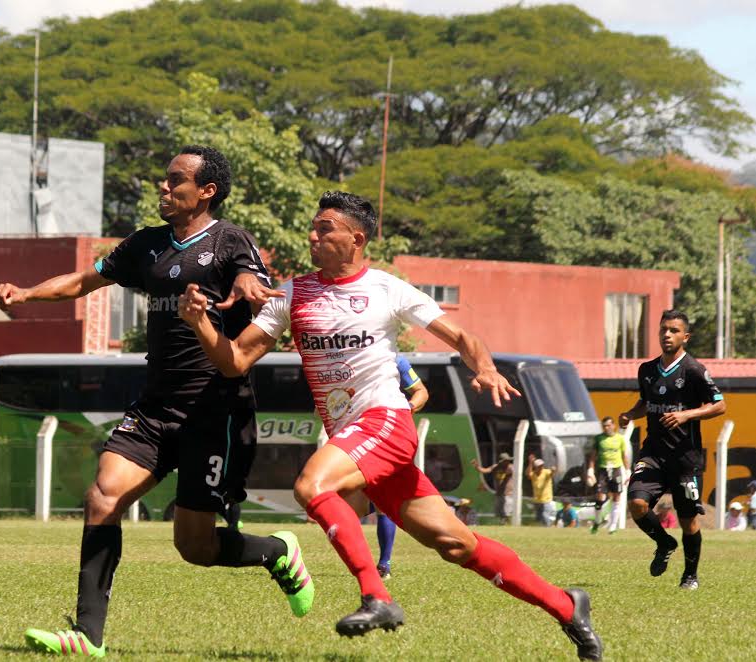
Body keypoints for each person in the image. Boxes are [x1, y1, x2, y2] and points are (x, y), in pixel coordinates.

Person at [178, 191, 602, 660]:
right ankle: (567, 605)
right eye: (313, 228)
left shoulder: (386, 288)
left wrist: (483, 366)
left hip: (385, 421)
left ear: (355, 238)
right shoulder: (292, 294)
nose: (312, 236)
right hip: (356, 441)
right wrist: (200, 323)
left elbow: (462, 336)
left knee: (312, 485)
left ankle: (376, 597)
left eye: (324, 229)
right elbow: (235, 361)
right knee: (456, 544)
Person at [0, 146, 315, 657]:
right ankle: (87, 637)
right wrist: (27, 293)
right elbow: (85, 280)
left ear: (206, 191)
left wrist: (248, 281)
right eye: (163, 181)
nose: (163, 189)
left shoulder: (231, 239)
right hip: (155, 407)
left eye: (175, 181)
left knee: (195, 547)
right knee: (103, 496)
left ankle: (277, 552)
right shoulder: (146, 245)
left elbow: (249, 277)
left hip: (215, 413)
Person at [619, 309, 726, 592]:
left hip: (684, 457)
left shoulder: (694, 370)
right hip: (652, 452)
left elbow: (719, 405)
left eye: (674, 330)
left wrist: (686, 415)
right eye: (663, 329)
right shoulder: (647, 369)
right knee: (637, 504)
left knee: (688, 519)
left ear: (685, 336)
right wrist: (631, 414)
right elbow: (646, 402)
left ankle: (690, 575)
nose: (667, 335)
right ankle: (665, 542)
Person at [375, 355, 429, 580]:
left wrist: (406, 408)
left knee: (382, 503)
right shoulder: (343, 354)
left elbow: (421, 392)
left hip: (388, 434)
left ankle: (383, 563)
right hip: (353, 433)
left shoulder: (396, 359)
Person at [587, 416, 630, 534]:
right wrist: (590, 470)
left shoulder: (620, 439)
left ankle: (613, 525)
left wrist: (627, 472)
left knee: (617, 497)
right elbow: (593, 456)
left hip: (616, 470)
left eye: (608, 425)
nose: (606, 428)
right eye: (604, 426)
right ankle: (597, 521)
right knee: (600, 496)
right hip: (602, 470)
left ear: (613, 425)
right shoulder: (599, 439)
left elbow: (624, 456)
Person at [470, 453, 514, 524]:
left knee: (506, 511)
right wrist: (477, 466)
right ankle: (503, 523)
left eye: (508, 460)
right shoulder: (496, 467)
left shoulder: (510, 467)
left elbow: (510, 473)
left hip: (508, 493)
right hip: (499, 493)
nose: (508, 462)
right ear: (501, 461)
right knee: (498, 511)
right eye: (506, 461)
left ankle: (508, 523)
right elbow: (485, 470)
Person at [526, 455, 556, 527]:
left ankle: (548, 529)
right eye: (539, 466)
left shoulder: (546, 472)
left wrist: (553, 470)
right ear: (535, 467)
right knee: (539, 518)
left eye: (542, 465)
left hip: (546, 500)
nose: (541, 467)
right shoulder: (533, 474)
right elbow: (527, 474)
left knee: (545, 516)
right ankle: (543, 530)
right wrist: (530, 463)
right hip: (537, 500)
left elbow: (551, 473)